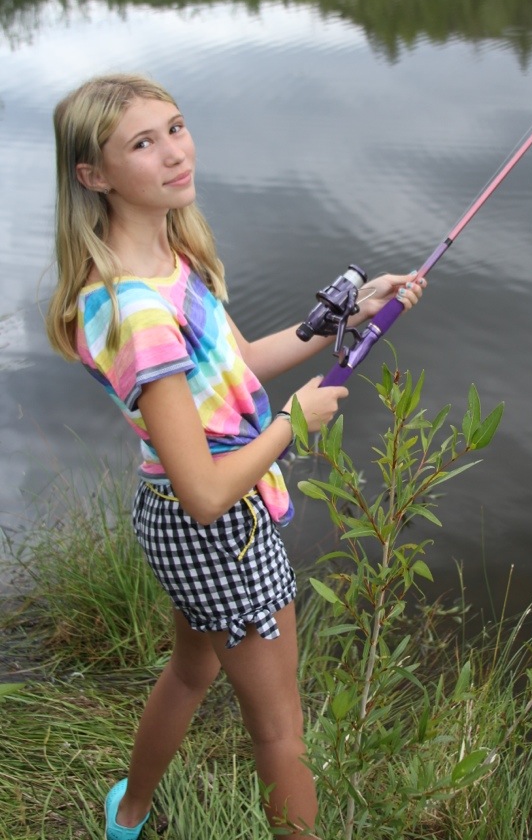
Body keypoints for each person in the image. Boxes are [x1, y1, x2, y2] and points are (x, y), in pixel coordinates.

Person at [45, 73, 426, 840]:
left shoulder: (168, 263)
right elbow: (207, 492)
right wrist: (293, 421)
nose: (174, 153)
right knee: (280, 734)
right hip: (221, 534)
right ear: (93, 175)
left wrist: (348, 317)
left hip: (176, 521)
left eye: (175, 128)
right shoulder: (136, 311)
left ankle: (128, 814)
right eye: (142, 144)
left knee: (192, 670)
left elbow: (237, 363)